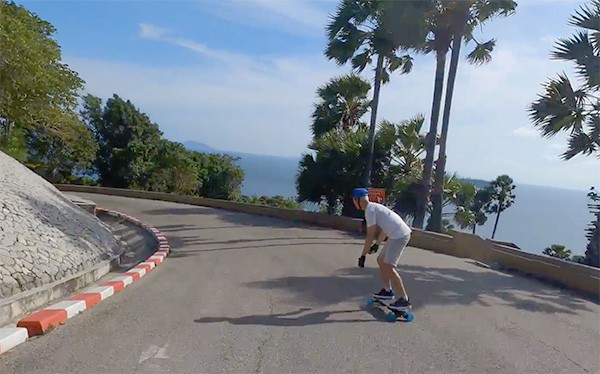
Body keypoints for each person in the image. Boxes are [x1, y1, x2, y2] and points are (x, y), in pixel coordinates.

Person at [352, 187, 412, 311]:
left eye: (353, 200)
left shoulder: (370, 211)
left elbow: (370, 235)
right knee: (381, 260)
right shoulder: (374, 207)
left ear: (357, 200)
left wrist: (363, 255)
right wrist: (377, 245)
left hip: (399, 236)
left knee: (389, 266)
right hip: (396, 234)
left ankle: (404, 299)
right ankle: (387, 291)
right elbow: (385, 228)